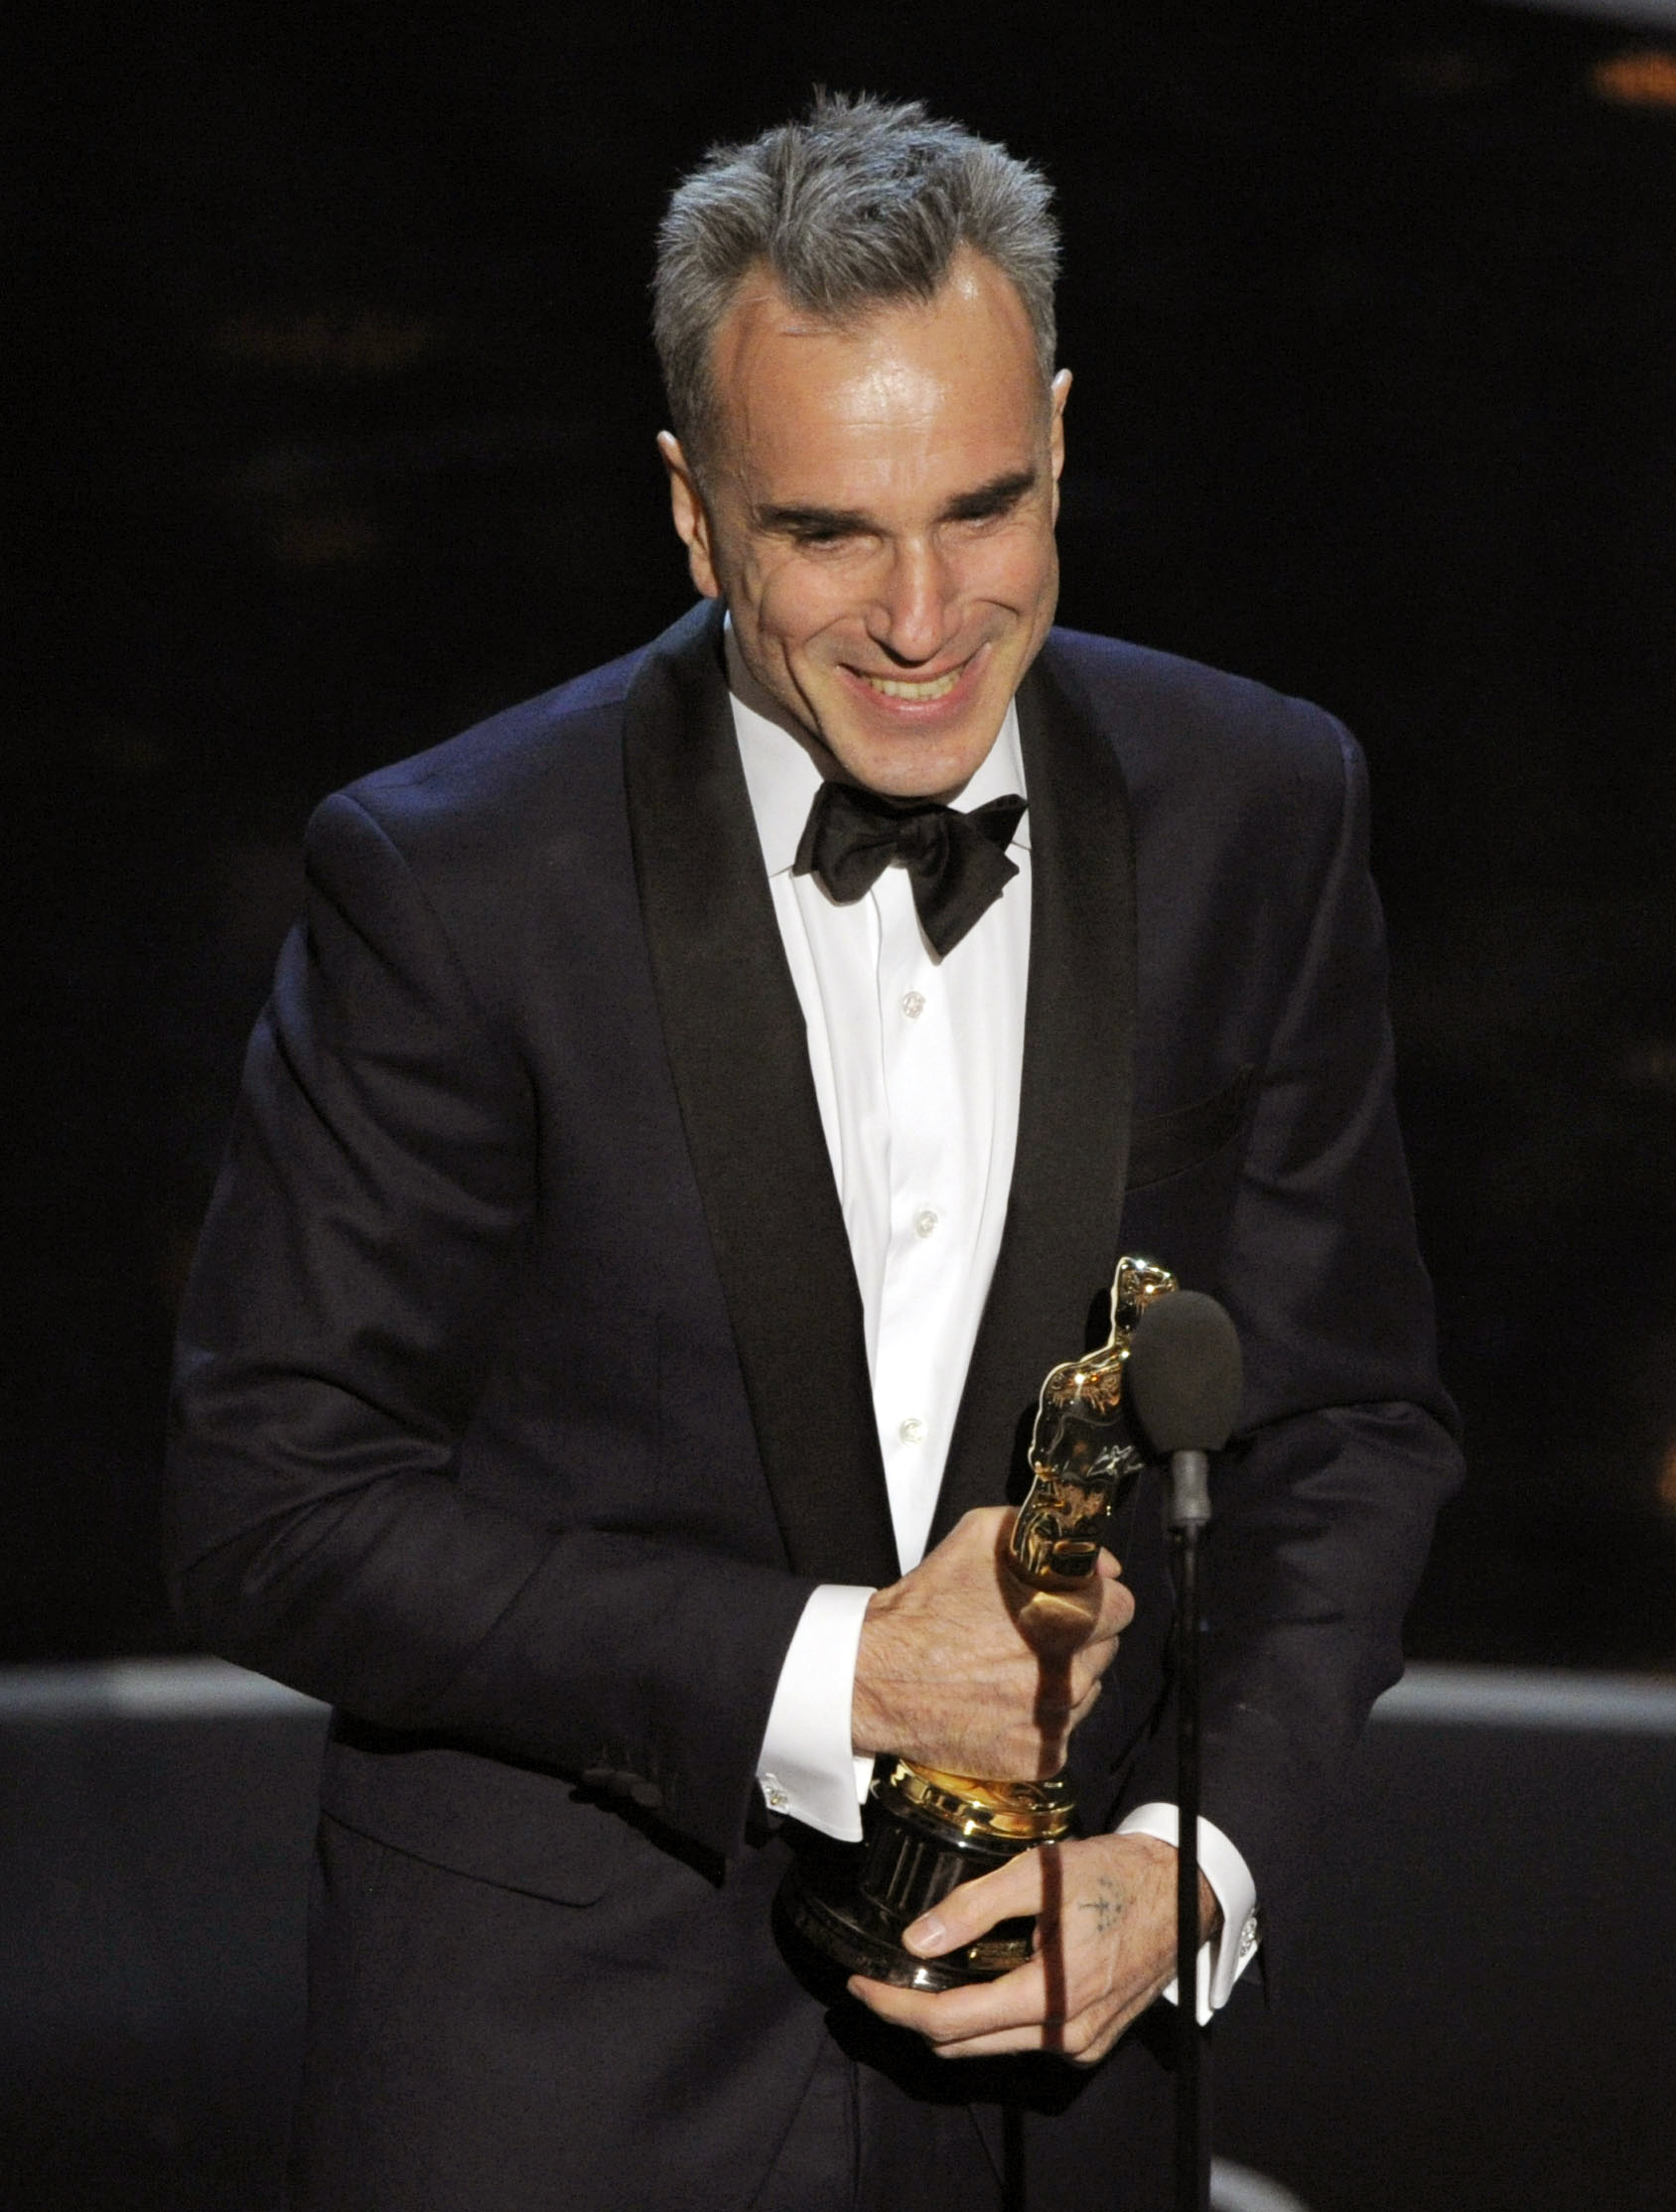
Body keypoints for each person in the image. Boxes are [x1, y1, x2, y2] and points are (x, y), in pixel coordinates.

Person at [166, 94, 1462, 2212]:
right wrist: (834, 1668)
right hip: (555, 2096)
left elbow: (1347, 1429)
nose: (927, 614)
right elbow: (267, 1500)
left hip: (1068, 2097)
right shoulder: (452, 878)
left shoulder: (1262, 807)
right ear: (692, 516)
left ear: (1055, 429)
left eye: (986, 504)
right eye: (828, 534)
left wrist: (1185, 1869)